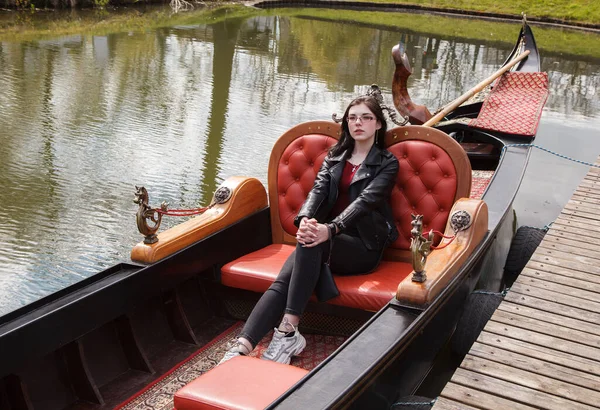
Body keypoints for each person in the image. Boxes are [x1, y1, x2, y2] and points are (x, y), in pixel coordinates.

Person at [219, 95, 399, 365]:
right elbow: (317, 191)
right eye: (352, 117)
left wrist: (331, 229)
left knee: (309, 243)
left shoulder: (387, 163)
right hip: (323, 240)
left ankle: (287, 330)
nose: (358, 122)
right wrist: (305, 219)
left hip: (363, 245)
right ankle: (244, 345)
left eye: (366, 117)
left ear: (378, 125)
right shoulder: (335, 157)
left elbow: (365, 202)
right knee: (292, 266)